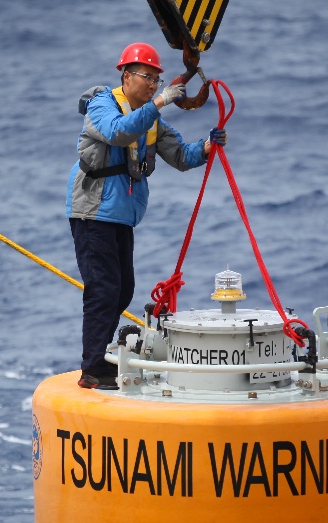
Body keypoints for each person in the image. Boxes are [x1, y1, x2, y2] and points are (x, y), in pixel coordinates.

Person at [67, 42, 226, 389]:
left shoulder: (152, 119)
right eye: (147, 77)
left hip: (121, 215)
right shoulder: (102, 104)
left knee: (122, 290)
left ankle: (99, 360)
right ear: (126, 76)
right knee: (103, 290)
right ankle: (93, 368)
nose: (154, 85)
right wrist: (160, 103)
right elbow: (117, 132)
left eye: (157, 80)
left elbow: (181, 156)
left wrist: (206, 147)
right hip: (93, 212)